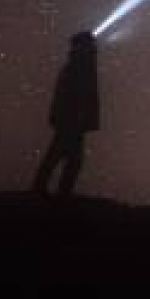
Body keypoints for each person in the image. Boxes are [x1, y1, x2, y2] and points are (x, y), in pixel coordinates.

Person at [32, 32, 100, 197]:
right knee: (69, 157)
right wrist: (82, 116)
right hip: (72, 118)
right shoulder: (81, 64)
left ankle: (45, 189)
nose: (94, 46)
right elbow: (82, 92)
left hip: (69, 117)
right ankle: (55, 192)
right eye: (90, 43)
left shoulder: (75, 64)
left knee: (62, 155)